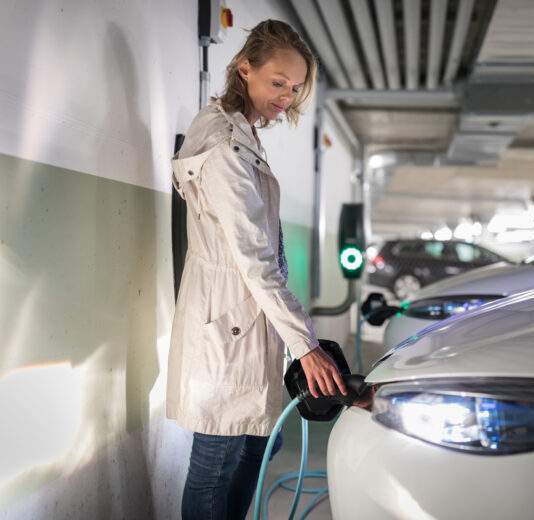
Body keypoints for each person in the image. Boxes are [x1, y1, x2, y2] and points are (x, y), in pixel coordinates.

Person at [166, 19, 346, 520]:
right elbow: (254, 258)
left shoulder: (240, 133)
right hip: (229, 324)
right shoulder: (223, 145)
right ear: (244, 68)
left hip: (246, 318)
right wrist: (305, 346)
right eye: (278, 82)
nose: (287, 96)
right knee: (216, 461)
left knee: (251, 449)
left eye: (294, 87)